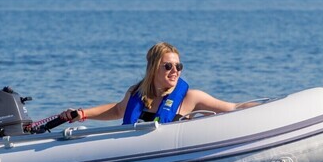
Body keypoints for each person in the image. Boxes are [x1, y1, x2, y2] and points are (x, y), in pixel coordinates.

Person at [58, 41, 259, 124]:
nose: (175, 71)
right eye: (168, 66)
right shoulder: (136, 93)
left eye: (178, 66)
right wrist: (82, 113)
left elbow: (233, 107)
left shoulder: (191, 98)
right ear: (154, 68)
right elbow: (118, 110)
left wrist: (268, 108)